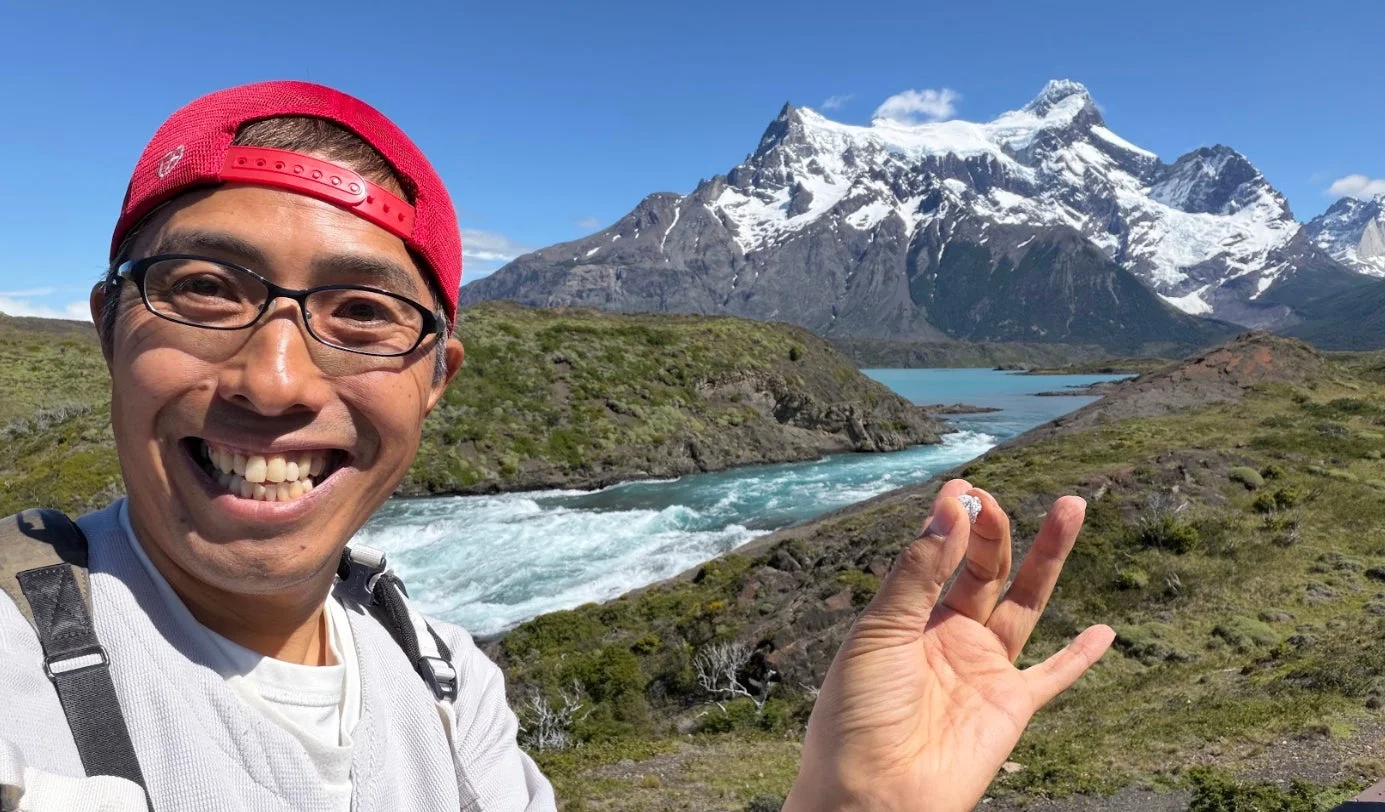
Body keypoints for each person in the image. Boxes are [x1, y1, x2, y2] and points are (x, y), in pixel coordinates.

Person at [0, 81, 1113, 811]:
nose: (275, 380)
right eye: (203, 288)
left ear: (437, 376)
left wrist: (850, 800)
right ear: (107, 327)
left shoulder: (450, 688)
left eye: (362, 312)